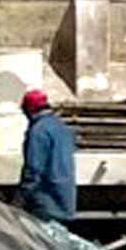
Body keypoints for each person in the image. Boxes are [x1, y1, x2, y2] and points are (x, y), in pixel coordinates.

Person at [17, 86, 80, 223]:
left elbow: (33, 169)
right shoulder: (62, 127)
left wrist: (19, 200)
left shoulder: (38, 131)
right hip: (66, 199)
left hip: (45, 202)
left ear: (30, 109)